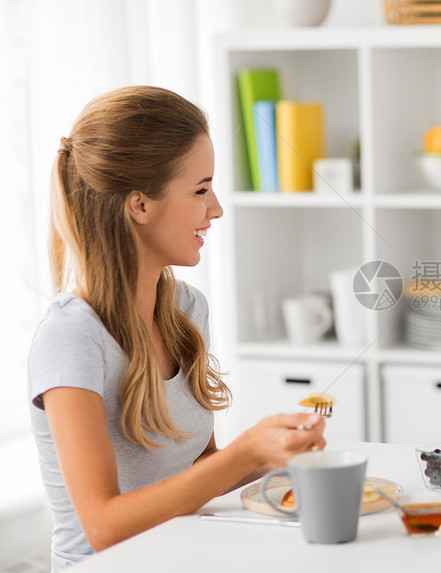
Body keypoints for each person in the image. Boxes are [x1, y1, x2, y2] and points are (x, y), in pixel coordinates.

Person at [28, 86, 326, 571]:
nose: (217, 209)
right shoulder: (72, 338)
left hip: (183, 554)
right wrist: (244, 451)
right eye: (201, 189)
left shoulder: (186, 309)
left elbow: (196, 470)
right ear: (139, 205)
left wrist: (265, 455)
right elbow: (103, 527)